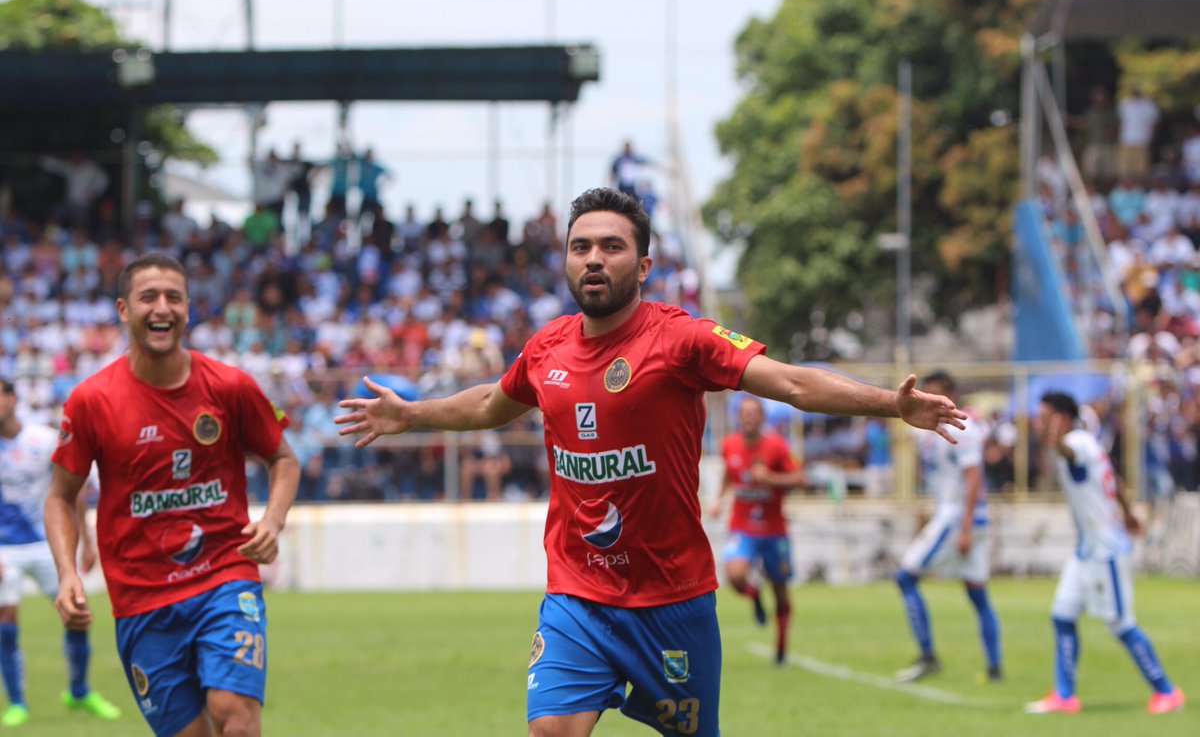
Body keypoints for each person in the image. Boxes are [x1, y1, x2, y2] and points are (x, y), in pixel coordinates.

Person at [337, 187, 965, 737]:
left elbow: (793, 384)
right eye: (580, 247)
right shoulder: (546, 345)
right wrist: (413, 414)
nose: (592, 259)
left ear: (643, 265)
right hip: (578, 594)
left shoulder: (682, 339)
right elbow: (490, 404)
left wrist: (892, 404)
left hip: (671, 597)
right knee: (551, 728)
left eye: (610, 247)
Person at [43, 253, 301, 737]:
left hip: (224, 577)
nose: (162, 308)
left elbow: (284, 459)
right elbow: (60, 496)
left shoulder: (230, 386)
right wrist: (67, 572)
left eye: (174, 298)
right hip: (141, 598)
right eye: (148, 297)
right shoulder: (91, 400)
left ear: (188, 308)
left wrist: (272, 521)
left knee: (237, 718)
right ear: (123, 310)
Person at [1024, 391, 1185, 715]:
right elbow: (1116, 479)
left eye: (1043, 417)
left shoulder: (1077, 443)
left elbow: (1069, 453)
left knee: (1121, 624)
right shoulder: (1087, 442)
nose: (1037, 423)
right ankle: (1065, 696)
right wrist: (1127, 512)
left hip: (1105, 550)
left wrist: (1056, 442)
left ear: (1060, 418)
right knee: (1063, 615)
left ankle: (1167, 691)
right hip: (1085, 549)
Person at [0, 379, 121, 727]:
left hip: (46, 543)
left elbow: (73, 489)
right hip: (5, 548)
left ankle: (79, 691)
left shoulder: (42, 439)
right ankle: (18, 702)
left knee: (77, 611)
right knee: (6, 623)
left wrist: (85, 538)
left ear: (12, 398)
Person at [892, 371, 1002, 684]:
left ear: (950, 395)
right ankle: (995, 668)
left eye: (934, 394)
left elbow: (973, 477)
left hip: (957, 518)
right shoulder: (934, 429)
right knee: (978, 593)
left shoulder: (963, 428)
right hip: (964, 516)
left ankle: (928, 657)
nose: (928, 400)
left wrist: (964, 526)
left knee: (905, 577)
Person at [708, 395, 806, 666]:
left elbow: (800, 478)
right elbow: (729, 473)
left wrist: (772, 479)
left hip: (774, 530)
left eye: (754, 413)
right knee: (735, 575)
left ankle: (782, 648)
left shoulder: (777, 446)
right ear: (738, 418)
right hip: (743, 526)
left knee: (781, 590)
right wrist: (719, 499)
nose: (749, 418)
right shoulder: (729, 445)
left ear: (762, 418)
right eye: (744, 413)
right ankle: (754, 596)